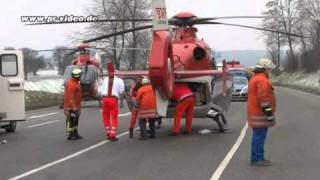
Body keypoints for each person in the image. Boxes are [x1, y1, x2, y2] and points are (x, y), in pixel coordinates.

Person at [247, 58, 276, 166]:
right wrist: (269, 113)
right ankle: (257, 159)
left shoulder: (256, 78)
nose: (270, 71)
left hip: (256, 112)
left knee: (258, 135)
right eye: (269, 69)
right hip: (260, 114)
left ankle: (258, 157)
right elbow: (263, 98)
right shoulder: (262, 80)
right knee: (259, 136)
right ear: (264, 69)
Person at [98, 75, 125, 141]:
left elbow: (99, 91)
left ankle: (108, 132)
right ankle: (112, 135)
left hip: (104, 98)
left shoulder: (104, 80)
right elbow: (121, 91)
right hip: (113, 99)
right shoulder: (119, 80)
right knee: (114, 117)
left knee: (105, 116)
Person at [64, 68, 83, 141]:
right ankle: (70, 135)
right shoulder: (71, 84)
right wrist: (74, 107)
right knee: (71, 120)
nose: (81, 77)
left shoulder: (76, 83)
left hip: (76, 105)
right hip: (71, 107)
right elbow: (70, 97)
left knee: (76, 120)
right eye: (80, 75)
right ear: (77, 76)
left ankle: (75, 133)